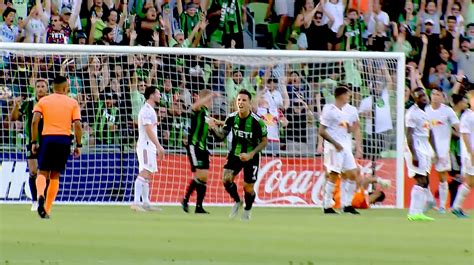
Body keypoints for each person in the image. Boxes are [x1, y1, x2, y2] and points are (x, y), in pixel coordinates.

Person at [212, 89, 268, 221]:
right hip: (235, 154)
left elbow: (264, 142)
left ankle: (247, 210)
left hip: (251, 156)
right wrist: (212, 128)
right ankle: (237, 201)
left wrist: (251, 154)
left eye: (244, 100)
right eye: (239, 100)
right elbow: (221, 137)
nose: (241, 103)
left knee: (248, 188)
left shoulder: (257, 122)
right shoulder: (231, 118)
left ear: (249, 103)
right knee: (226, 179)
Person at [31, 76, 82, 219]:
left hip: (47, 139)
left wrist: (34, 141)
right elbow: (77, 125)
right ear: (66, 88)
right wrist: (78, 144)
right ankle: (46, 209)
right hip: (64, 140)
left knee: (42, 172)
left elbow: (34, 122)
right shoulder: (72, 103)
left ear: (52, 87)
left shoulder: (43, 101)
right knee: (55, 175)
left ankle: (40, 195)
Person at [319, 85, 362, 215]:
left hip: (346, 145)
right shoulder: (329, 109)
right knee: (333, 174)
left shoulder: (351, 110)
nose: (350, 96)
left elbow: (350, 128)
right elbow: (321, 130)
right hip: (333, 147)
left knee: (353, 174)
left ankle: (346, 205)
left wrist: (352, 128)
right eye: (348, 94)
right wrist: (334, 143)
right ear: (341, 95)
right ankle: (327, 205)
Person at [10, 79, 48, 211]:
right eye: (38, 86)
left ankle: (43, 199)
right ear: (35, 88)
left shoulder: (51, 104)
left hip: (47, 141)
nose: (40, 89)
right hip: (31, 142)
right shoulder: (28, 103)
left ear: (47, 89)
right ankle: (35, 201)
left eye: (43, 86)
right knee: (33, 171)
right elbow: (14, 118)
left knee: (45, 173)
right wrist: (15, 105)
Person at [181, 89, 221, 214]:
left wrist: (215, 127)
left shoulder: (206, 114)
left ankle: (199, 206)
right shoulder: (198, 109)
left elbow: (216, 133)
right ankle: (186, 200)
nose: (211, 102)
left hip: (204, 148)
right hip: (195, 146)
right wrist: (211, 95)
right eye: (209, 99)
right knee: (199, 176)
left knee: (204, 177)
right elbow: (194, 105)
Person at [425, 87, 460, 213]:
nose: (434, 96)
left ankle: (442, 206)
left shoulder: (447, 111)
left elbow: (457, 126)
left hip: (443, 149)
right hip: (427, 148)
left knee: (442, 177)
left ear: (442, 97)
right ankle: (430, 201)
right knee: (422, 176)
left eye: (437, 94)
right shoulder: (426, 110)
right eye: (433, 94)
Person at [404, 87, 437, 221]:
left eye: (424, 95)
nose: (423, 98)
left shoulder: (427, 112)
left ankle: (419, 212)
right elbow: (409, 136)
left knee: (426, 181)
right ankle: (413, 212)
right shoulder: (412, 114)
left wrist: (433, 150)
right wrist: (414, 155)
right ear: (415, 99)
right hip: (415, 147)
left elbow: (430, 133)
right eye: (420, 96)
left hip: (425, 147)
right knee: (421, 180)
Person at [132, 86, 166, 212]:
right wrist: (159, 146)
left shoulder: (151, 110)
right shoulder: (146, 110)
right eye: (158, 93)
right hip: (145, 145)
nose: (160, 96)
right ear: (151, 95)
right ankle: (136, 202)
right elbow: (147, 129)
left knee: (148, 174)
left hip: (149, 146)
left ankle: (145, 202)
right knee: (144, 172)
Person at [451, 90, 474, 218]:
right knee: (470, 182)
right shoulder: (467, 116)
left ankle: (456, 206)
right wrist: (471, 153)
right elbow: (464, 135)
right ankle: (456, 207)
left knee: (471, 182)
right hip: (470, 154)